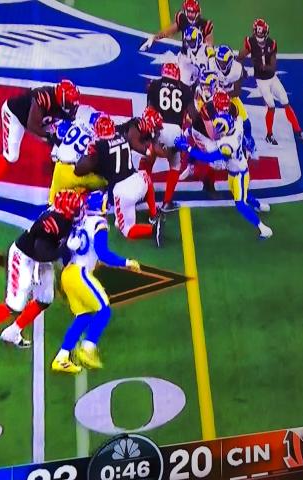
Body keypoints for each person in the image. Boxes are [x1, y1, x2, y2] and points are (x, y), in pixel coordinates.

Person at [0, 190, 83, 363]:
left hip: (40, 256)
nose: (78, 212)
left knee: (45, 298)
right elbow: (42, 253)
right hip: (24, 257)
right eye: (75, 209)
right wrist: (65, 249)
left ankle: (12, 333)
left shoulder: (61, 216)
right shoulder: (53, 223)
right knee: (13, 305)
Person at [52, 190, 141, 373]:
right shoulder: (99, 223)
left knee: (83, 316)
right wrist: (126, 262)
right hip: (80, 273)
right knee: (104, 310)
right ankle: (88, 348)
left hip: (68, 273)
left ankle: (61, 357)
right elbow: (103, 253)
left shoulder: (79, 221)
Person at [0, 80, 80, 201]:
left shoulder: (63, 104)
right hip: (17, 116)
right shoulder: (43, 97)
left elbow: (68, 122)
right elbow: (32, 125)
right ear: (61, 98)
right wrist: (50, 137)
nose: (72, 105)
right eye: (69, 102)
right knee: (11, 156)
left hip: (42, 120)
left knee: (60, 148)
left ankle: (60, 190)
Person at [76, 113, 164, 246]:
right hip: (139, 181)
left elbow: (80, 170)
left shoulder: (99, 146)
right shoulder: (122, 137)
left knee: (127, 231)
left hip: (123, 191)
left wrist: (88, 155)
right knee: (145, 176)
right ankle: (154, 213)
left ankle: (152, 229)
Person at [236, 19, 303, 145]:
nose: (259, 36)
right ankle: (269, 134)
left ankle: (298, 130)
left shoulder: (271, 43)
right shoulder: (250, 43)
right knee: (271, 107)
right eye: (258, 33)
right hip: (262, 81)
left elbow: (273, 65)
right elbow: (240, 56)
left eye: (261, 33)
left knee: (285, 102)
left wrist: (263, 67)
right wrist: (240, 69)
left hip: (272, 78)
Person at [144, 63, 194, 211]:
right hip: (175, 131)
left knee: (148, 159)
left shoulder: (154, 85)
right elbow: (192, 114)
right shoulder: (185, 89)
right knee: (175, 165)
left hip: (159, 128)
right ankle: (167, 202)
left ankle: (145, 193)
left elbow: (149, 110)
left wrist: (150, 135)